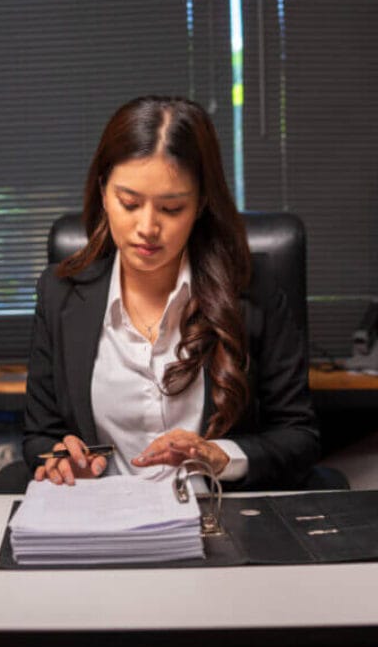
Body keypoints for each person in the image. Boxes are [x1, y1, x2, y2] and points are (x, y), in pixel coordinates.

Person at [24, 95, 321, 490]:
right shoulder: (59, 291)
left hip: (215, 515)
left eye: (171, 209)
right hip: (101, 516)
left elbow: (299, 437)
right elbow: (39, 437)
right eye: (129, 203)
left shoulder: (254, 290)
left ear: (199, 205)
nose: (147, 227)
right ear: (103, 192)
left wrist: (223, 456)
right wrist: (61, 459)